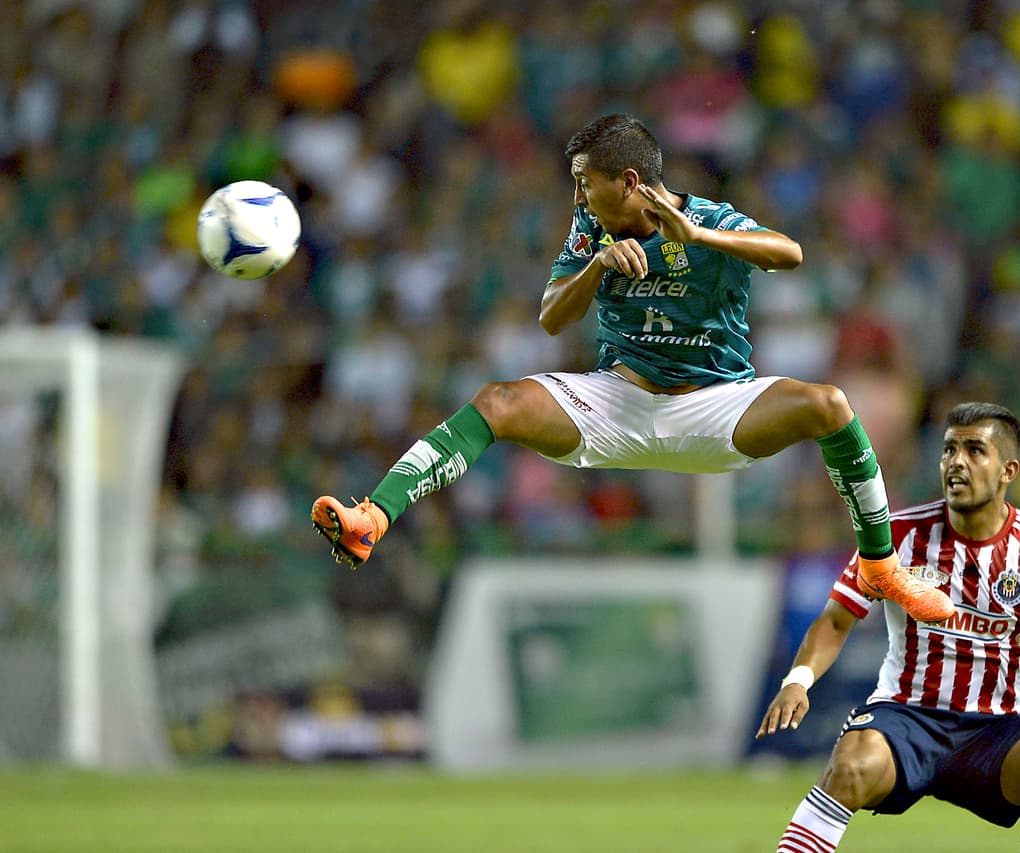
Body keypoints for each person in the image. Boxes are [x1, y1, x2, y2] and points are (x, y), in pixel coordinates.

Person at [310, 112, 952, 624]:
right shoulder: (590, 230)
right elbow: (552, 318)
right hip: (618, 402)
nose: (579, 196)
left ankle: (880, 566)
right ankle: (375, 519)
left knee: (830, 405)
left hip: (713, 406)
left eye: (586, 182)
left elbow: (789, 253)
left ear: (628, 181)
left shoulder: (706, 218)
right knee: (498, 401)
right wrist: (596, 267)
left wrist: (701, 240)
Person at [758, 402, 1020, 852]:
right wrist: (798, 680)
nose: (956, 462)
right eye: (949, 450)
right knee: (850, 766)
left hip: (992, 733)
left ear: (1008, 470)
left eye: (975, 450)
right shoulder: (895, 537)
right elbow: (837, 618)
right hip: (905, 719)